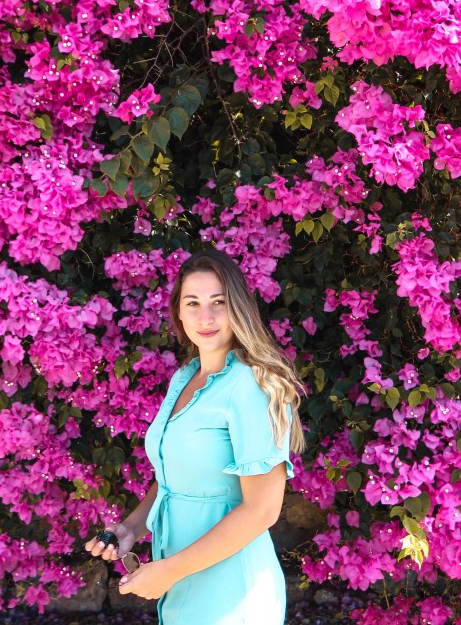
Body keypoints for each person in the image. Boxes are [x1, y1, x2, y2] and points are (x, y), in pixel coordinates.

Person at [85, 248, 305, 624]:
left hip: (233, 594)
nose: (206, 317)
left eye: (219, 302)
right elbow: (176, 476)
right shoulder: (186, 377)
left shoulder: (252, 385)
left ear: (239, 308)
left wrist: (169, 571)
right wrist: (131, 528)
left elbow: (262, 510)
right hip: (181, 580)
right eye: (193, 303)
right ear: (178, 311)